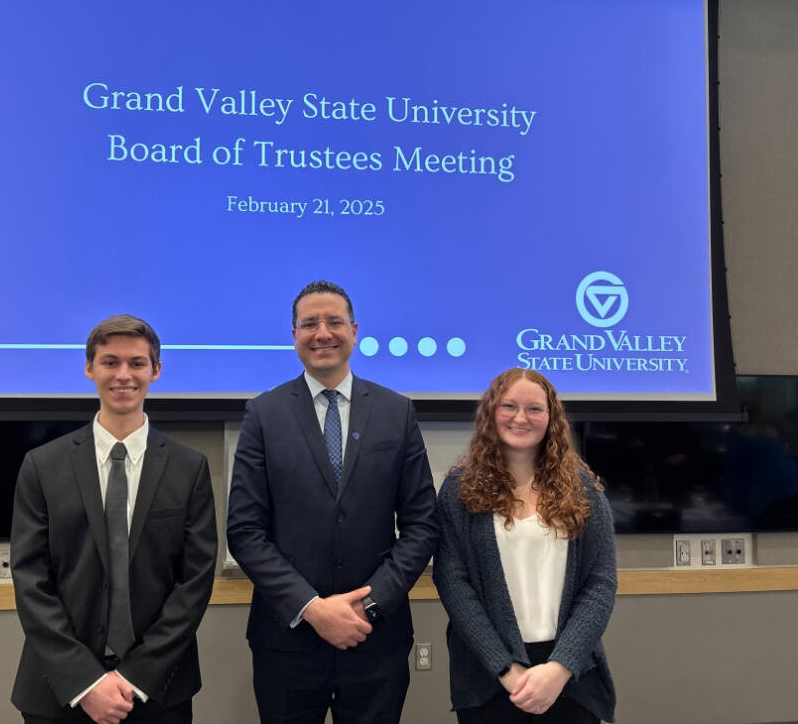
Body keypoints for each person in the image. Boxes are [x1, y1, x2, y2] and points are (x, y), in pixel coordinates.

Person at [227, 280, 438, 724]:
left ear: (355, 330)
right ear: (294, 336)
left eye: (334, 322)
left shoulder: (395, 412)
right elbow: (245, 531)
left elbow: (421, 526)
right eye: (309, 324)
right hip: (287, 641)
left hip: (374, 637)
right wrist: (313, 608)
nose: (322, 333)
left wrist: (370, 603)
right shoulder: (263, 415)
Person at [10, 315, 218, 724]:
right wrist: (87, 682)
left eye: (137, 363)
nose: (124, 375)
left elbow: (194, 583)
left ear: (155, 371)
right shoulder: (42, 466)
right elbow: (31, 580)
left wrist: (135, 676)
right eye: (110, 362)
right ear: (89, 368)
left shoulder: (188, 468)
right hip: (60, 692)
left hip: (156, 693)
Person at [433, 368, 617, 723]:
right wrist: (506, 669)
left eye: (535, 409)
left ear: (551, 418)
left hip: (570, 677)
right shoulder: (459, 490)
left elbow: (601, 583)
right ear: (490, 413)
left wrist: (560, 667)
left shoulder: (583, 490)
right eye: (509, 406)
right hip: (489, 679)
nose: (521, 417)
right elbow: (453, 583)